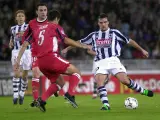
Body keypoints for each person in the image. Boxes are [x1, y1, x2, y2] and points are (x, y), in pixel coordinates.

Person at [15, 9, 90, 112]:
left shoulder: (37, 29)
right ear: (57, 19)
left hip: (41, 62)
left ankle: (42, 100)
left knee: (60, 83)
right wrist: (82, 46)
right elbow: (66, 40)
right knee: (76, 72)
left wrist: (18, 59)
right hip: (51, 58)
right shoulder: (55, 27)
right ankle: (70, 94)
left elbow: (25, 43)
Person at [79, 13, 153, 110]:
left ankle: (143, 91)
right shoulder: (94, 35)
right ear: (98, 23)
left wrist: (141, 49)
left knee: (125, 80)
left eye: (105, 22)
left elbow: (129, 41)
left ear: (108, 22)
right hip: (100, 62)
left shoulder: (115, 33)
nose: (103, 24)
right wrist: (67, 48)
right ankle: (106, 105)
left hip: (113, 60)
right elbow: (80, 42)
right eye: (101, 22)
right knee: (99, 82)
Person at [9, 10, 31, 105]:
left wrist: (24, 34)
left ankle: (22, 93)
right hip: (16, 51)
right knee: (17, 73)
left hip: (27, 52)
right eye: (19, 16)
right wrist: (10, 43)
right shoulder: (13, 28)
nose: (21, 17)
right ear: (16, 18)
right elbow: (12, 38)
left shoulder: (29, 27)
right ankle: (15, 95)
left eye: (22, 16)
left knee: (25, 76)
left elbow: (32, 36)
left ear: (24, 18)